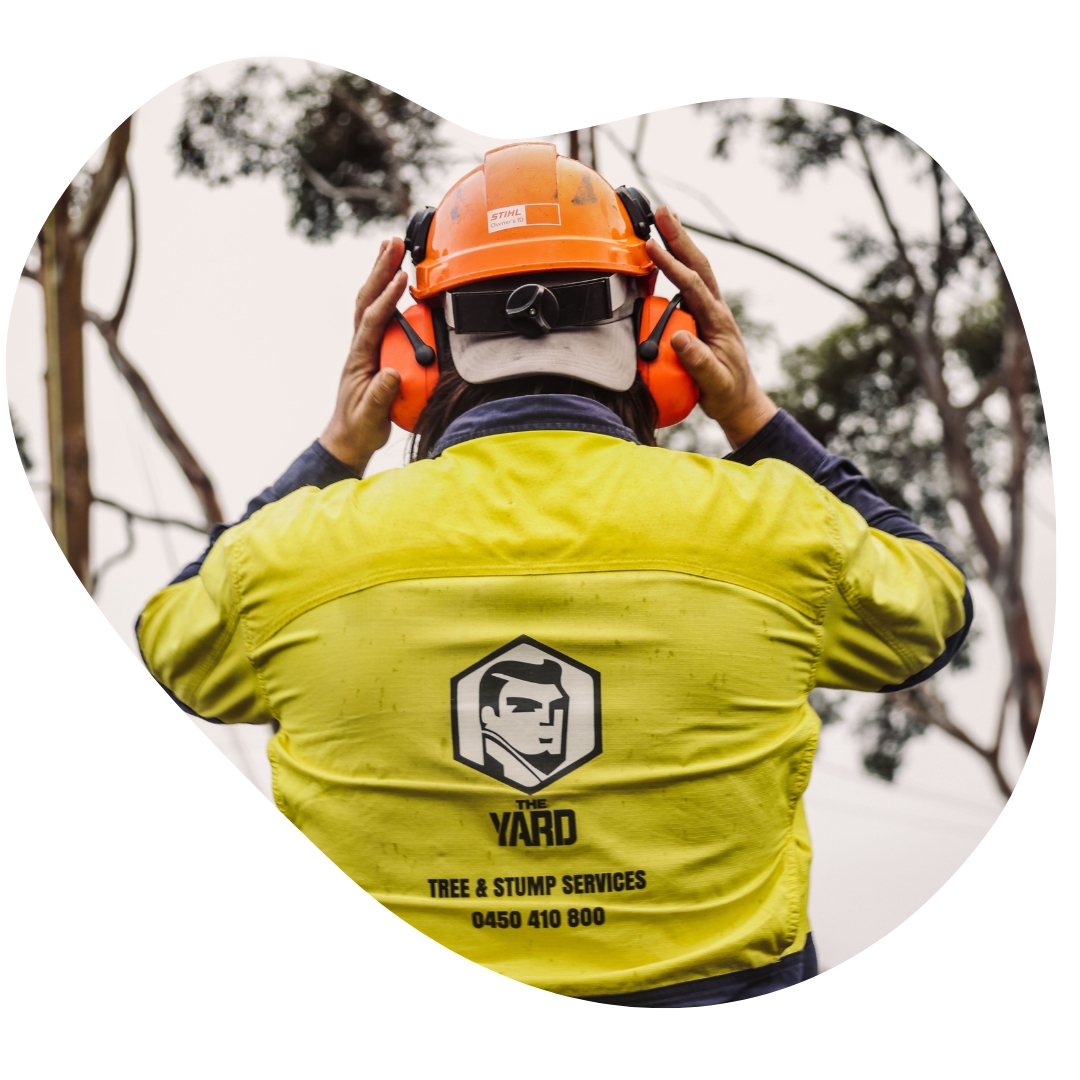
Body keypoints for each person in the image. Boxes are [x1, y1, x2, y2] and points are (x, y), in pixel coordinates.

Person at [137, 143, 971, 1007]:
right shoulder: (780, 526)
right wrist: (752, 417)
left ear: (415, 352)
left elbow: (174, 646)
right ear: (661, 344)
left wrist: (337, 448)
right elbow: (933, 611)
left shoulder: (283, 557)